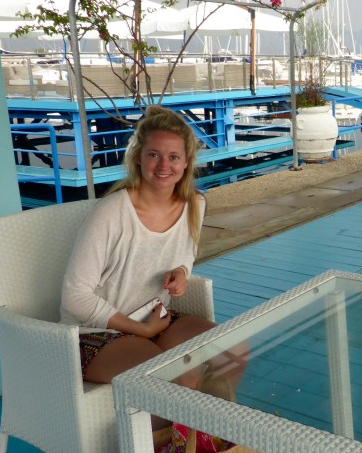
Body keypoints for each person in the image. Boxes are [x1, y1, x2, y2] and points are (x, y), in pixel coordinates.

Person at [61, 105, 246, 391]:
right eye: (153, 155)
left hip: (153, 317)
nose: (163, 166)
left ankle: (212, 420)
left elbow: (185, 255)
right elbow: (75, 296)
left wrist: (182, 272)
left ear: (186, 163)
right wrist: (141, 329)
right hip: (96, 330)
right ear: (138, 158)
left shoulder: (194, 204)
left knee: (234, 351)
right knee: (175, 378)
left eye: (173, 157)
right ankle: (188, 419)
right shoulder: (111, 211)